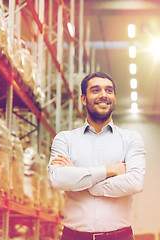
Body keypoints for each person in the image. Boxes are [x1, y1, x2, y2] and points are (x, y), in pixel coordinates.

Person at [48, 72, 146, 240]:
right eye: (96, 90)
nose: (103, 95)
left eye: (109, 90)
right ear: (84, 99)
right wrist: (109, 170)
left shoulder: (131, 139)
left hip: (120, 236)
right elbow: (57, 179)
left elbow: (135, 182)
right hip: (74, 236)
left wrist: (82, 179)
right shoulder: (65, 139)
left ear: (114, 97)